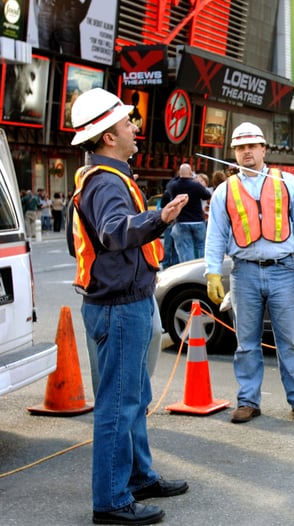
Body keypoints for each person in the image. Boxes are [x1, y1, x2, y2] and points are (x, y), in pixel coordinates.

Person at [68, 88, 189, 525]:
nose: (135, 128)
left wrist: (157, 217)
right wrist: (161, 218)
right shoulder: (104, 181)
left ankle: (138, 477)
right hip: (120, 308)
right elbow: (116, 233)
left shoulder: (105, 177)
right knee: (119, 404)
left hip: (125, 303)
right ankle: (112, 501)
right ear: (107, 137)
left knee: (132, 398)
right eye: (126, 124)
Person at [204, 122, 294, 425]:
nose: (247, 152)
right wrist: (212, 271)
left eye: (252, 146)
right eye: (240, 147)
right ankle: (248, 401)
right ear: (234, 153)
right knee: (246, 342)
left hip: (282, 270)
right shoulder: (225, 190)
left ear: (263, 149)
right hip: (243, 271)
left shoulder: (288, 182)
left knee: (291, 341)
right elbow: (216, 234)